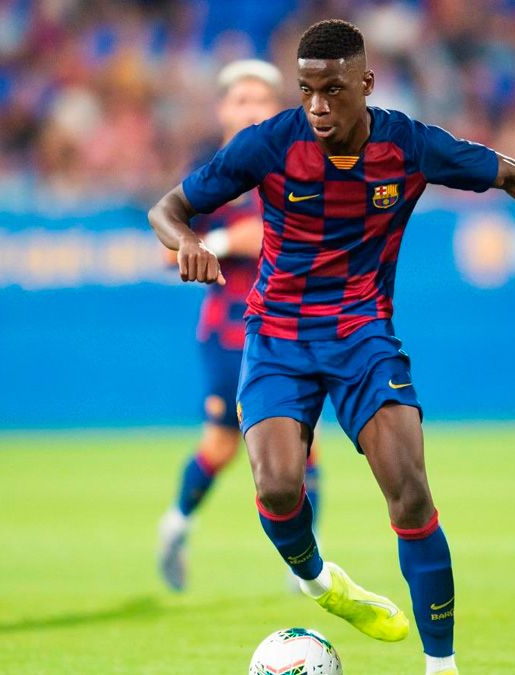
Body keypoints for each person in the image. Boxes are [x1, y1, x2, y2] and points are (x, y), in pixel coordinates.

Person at [148, 19, 515, 675]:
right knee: (280, 486)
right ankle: (321, 583)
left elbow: (513, 175)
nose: (318, 106)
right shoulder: (269, 144)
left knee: (409, 492)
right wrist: (188, 242)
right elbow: (168, 208)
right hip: (279, 336)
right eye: (306, 91)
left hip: (362, 335)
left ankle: (442, 666)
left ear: (367, 83)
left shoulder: (407, 144)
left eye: (333, 90)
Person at [156, 60, 322, 593]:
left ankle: (303, 566)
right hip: (232, 333)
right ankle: (177, 524)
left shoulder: (301, 168)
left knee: (306, 445)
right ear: (223, 110)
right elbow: (167, 254)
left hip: (295, 328)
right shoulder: (209, 178)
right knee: (224, 445)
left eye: (260, 100)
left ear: (278, 109)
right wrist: (227, 242)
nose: (251, 109)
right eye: (241, 99)